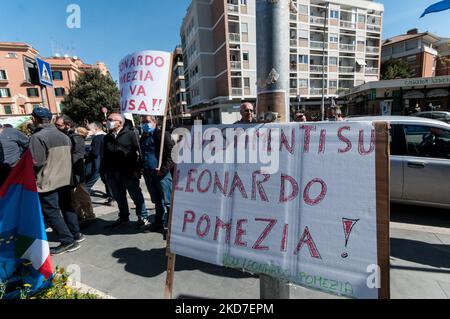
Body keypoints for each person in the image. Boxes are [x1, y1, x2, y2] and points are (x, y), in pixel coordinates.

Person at [29, 108, 84, 255]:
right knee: (67, 207)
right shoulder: (63, 135)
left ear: (35, 119)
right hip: (65, 179)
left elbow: (36, 162)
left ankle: (67, 241)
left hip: (48, 181)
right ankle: (76, 234)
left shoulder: (37, 137)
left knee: (51, 212)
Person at [101, 113, 149, 229]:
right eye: (108, 120)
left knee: (136, 196)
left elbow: (141, 154)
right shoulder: (107, 137)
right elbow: (104, 156)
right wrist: (103, 173)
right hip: (112, 174)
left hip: (129, 173)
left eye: (110, 120)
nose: (107, 121)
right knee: (119, 198)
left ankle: (142, 217)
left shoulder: (132, 134)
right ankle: (123, 217)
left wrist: (138, 169)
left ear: (120, 122)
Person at [55, 116, 95, 224]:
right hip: (68, 172)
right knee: (72, 196)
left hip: (76, 171)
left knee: (81, 194)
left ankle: (89, 216)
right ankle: (79, 215)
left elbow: (77, 155)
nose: (56, 127)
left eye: (59, 125)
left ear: (68, 125)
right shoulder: (65, 135)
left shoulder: (75, 137)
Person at [140, 116, 174, 233]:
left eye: (147, 121)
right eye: (143, 122)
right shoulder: (143, 137)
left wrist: (163, 169)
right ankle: (158, 222)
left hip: (161, 174)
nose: (145, 124)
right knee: (156, 201)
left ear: (154, 122)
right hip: (148, 174)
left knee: (168, 201)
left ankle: (171, 225)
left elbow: (173, 153)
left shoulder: (163, 135)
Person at [85, 122, 114, 205]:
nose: (88, 131)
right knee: (106, 180)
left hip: (99, 162)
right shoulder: (106, 136)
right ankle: (111, 196)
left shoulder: (97, 138)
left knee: (95, 177)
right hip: (106, 161)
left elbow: (95, 152)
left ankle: (85, 190)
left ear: (96, 129)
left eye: (89, 129)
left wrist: (87, 151)